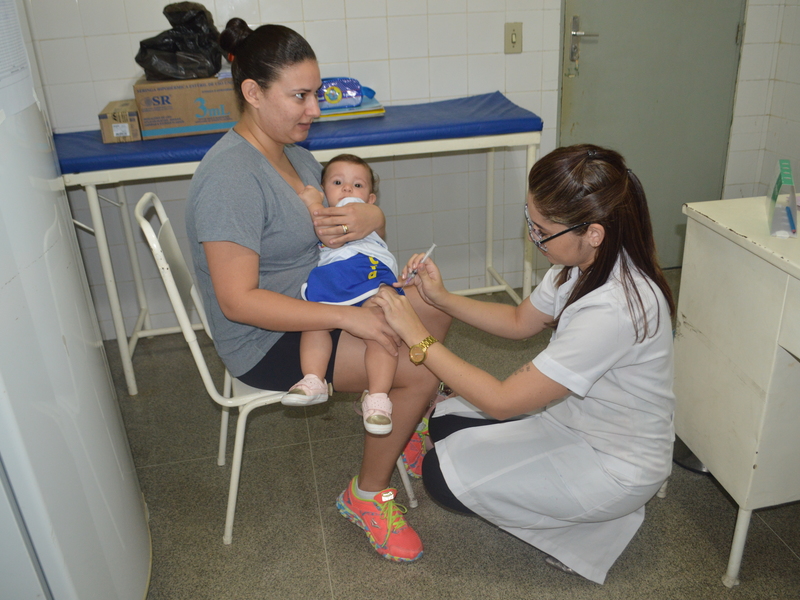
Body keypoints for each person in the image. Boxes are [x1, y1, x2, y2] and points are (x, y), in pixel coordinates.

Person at [185, 19, 450, 563]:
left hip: (320, 298)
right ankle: (367, 494)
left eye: (316, 94)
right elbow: (237, 301)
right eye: (300, 96)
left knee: (431, 307)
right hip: (266, 334)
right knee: (422, 364)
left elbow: (349, 212)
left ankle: (408, 420)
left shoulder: (293, 152)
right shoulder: (230, 178)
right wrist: (349, 319)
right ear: (252, 93)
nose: (315, 110)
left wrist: (371, 213)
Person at [372, 144, 676, 584]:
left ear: (593, 231)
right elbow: (519, 321)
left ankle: (597, 522)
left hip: (616, 464)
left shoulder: (614, 307)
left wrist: (415, 335)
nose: (534, 239)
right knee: (444, 423)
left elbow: (501, 402)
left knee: (441, 476)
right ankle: (570, 501)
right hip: (577, 420)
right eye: (531, 223)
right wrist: (441, 298)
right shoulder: (581, 264)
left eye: (542, 231)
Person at [284, 154, 401, 435]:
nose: (348, 190)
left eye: (357, 185)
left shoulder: (352, 209)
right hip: (343, 274)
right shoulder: (360, 211)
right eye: (338, 182)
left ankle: (372, 394)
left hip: (363, 270)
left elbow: (331, 235)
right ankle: (321, 381)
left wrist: (313, 203)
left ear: (370, 199)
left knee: (376, 330)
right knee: (318, 322)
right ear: (327, 190)